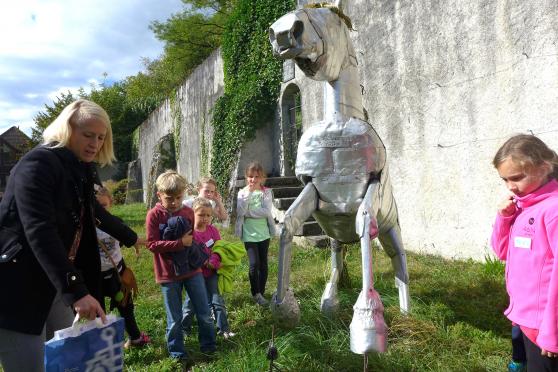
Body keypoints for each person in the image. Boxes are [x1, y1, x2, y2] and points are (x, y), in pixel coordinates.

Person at [0, 99, 141, 372]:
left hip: (54, 280)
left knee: (67, 361)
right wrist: (76, 289)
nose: (95, 143)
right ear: (67, 129)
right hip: (16, 288)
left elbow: (94, 212)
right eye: (87, 134)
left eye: (101, 137)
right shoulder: (38, 164)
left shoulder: (79, 168)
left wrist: (131, 236)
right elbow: (39, 229)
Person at [491, 134, 558, 371]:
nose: (510, 186)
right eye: (504, 180)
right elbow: (501, 252)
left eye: (517, 178)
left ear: (544, 166)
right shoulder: (522, 205)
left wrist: (552, 333)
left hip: (545, 327)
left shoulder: (552, 210)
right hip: (524, 318)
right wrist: (504, 217)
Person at [145, 170, 216, 361]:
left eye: (179, 197)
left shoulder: (187, 212)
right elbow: (152, 244)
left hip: (192, 271)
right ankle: (177, 354)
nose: (175, 202)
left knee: (204, 312)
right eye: (169, 198)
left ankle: (209, 347)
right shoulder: (154, 216)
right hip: (167, 274)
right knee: (174, 319)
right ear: (159, 195)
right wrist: (178, 244)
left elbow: (190, 241)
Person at [96, 186, 150, 349]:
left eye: (103, 206)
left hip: (117, 273)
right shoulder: (82, 229)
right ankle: (102, 347)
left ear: (111, 203)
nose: (99, 211)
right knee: (98, 314)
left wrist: (134, 244)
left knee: (126, 306)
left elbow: (123, 239)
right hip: (94, 277)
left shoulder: (116, 224)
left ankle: (135, 338)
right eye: (96, 207)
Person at [183, 197, 235, 339]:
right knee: (190, 304)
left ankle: (223, 329)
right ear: (192, 214)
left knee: (218, 301)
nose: (205, 218)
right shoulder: (189, 234)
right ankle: (184, 329)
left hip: (212, 273)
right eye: (201, 215)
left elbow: (219, 249)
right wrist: (205, 262)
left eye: (208, 215)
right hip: (195, 274)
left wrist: (214, 261)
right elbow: (190, 255)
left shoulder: (213, 231)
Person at [235, 162, 276, 306]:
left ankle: (261, 292)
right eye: (250, 176)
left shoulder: (266, 192)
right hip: (248, 233)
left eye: (256, 177)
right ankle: (256, 293)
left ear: (262, 177)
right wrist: (250, 193)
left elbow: (266, 211)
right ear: (246, 177)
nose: (253, 180)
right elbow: (240, 212)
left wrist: (249, 213)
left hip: (263, 233)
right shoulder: (242, 193)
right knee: (254, 263)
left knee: (263, 264)